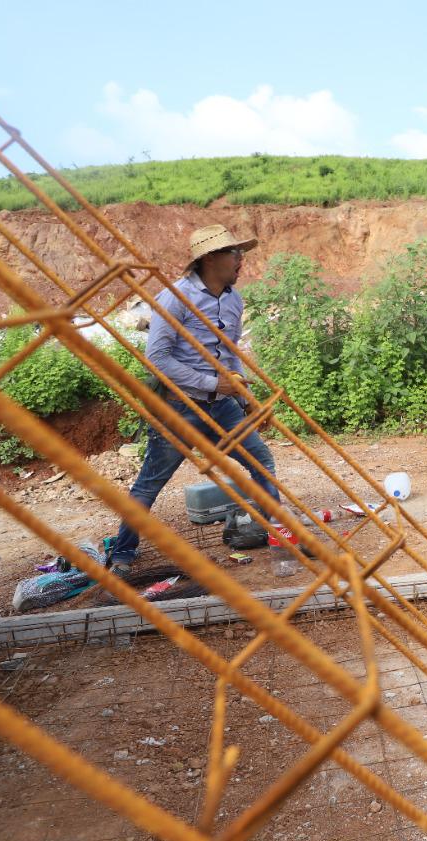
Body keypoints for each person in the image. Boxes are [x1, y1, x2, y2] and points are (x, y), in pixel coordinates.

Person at [107, 225, 279, 577]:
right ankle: (123, 551)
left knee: (261, 461)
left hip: (222, 404)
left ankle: (277, 532)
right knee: (150, 482)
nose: (240, 259)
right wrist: (210, 382)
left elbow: (229, 352)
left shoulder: (233, 299)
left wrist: (243, 396)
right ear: (209, 258)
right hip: (180, 406)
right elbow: (158, 359)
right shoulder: (175, 297)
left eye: (240, 252)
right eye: (233, 253)